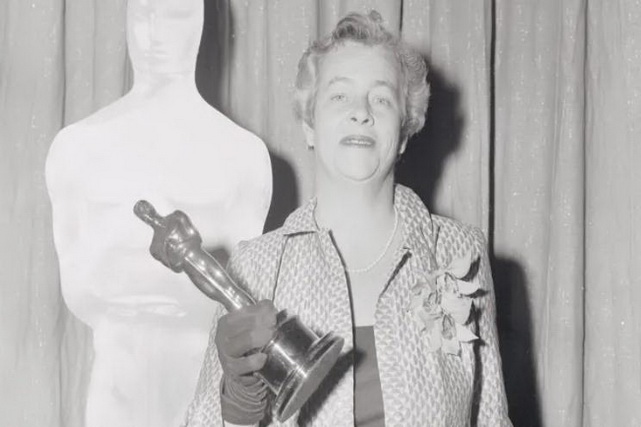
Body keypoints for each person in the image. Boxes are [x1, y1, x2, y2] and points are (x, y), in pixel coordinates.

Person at [183, 10, 511, 427]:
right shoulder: (257, 267)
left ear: (405, 132)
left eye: (381, 98)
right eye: (339, 96)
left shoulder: (460, 253)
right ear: (309, 125)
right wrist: (240, 403)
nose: (361, 112)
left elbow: (492, 418)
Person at [45, 0, 271, 425]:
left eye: (175, 14)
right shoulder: (78, 148)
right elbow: (77, 288)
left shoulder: (243, 156)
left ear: (200, 21)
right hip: (117, 388)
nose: (154, 32)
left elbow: (243, 300)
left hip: (205, 386)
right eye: (142, 13)